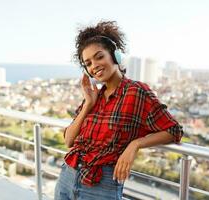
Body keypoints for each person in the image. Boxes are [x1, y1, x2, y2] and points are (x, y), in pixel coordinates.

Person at [54, 20, 184, 200]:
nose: (94, 66)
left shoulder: (137, 91)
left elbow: (173, 130)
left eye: (99, 57)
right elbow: (68, 140)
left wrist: (135, 144)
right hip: (67, 176)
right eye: (88, 63)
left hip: (101, 184)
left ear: (116, 56)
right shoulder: (93, 97)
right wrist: (87, 105)